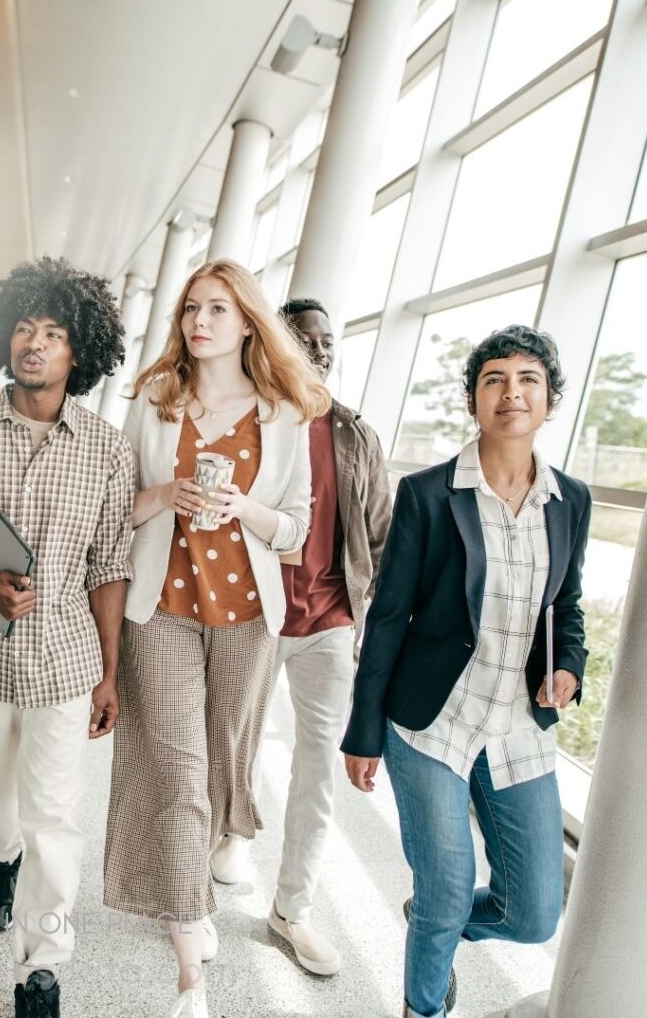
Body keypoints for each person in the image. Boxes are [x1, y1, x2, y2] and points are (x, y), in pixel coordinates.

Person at [341, 325, 592, 1018]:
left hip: (518, 728)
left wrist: (566, 667)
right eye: (494, 380)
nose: (511, 392)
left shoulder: (572, 500)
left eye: (527, 380)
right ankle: (424, 1006)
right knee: (450, 887)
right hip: (431, 722)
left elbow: (565, 606)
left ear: (550, 400)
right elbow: (387, 619)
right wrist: (362, 732)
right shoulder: (427, 494)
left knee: (535, 914)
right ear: (474, 401)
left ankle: (435, 919)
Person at [103, 259, 329, 1018]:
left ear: (247, 323)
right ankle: (189, 971)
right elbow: (116, 514)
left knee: (219, 767)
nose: (200, 322)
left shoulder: (286, 415)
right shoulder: (155, 402)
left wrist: (243, 508)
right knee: (175, 770)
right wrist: (167, 492)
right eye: (191, 309)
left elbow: (296, 531)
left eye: (217, 310)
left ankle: (196, 880)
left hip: (246, 620)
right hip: (159, 611)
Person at [0, 257, 135, 1018]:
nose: (33, 343)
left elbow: (110, 564)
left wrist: (109, 673)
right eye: (24, 328)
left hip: (66, 660)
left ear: (82, 354)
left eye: (54, 332)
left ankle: (43, 966)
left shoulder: (107, 448)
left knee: (55, 817)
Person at [222, 297, 391, 975]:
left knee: (317, 766)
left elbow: (377, 534)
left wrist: (363, 608)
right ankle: (230, 833)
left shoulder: (355, 434)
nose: (318, 350)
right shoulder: (246, 420)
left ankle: (292, 908)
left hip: (328, 621)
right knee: (229, 744)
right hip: (254, 613)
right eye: (304, 338)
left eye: (326, 341)